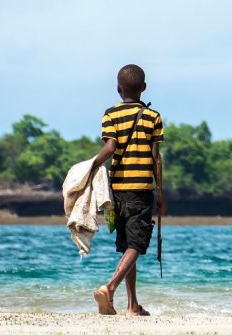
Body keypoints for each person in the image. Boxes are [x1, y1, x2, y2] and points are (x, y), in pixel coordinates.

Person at [90, 64, 165, 316]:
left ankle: (132, 306)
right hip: (142, 189)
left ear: (118, 88)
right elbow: (156, 158)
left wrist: (92, 167)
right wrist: (161, 192)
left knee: (126, 246)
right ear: (143, 88)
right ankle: (110, 287)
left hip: (117, 190)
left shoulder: (110, 115)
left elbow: (110, 147)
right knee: (136, 244)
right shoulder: (153, 117)